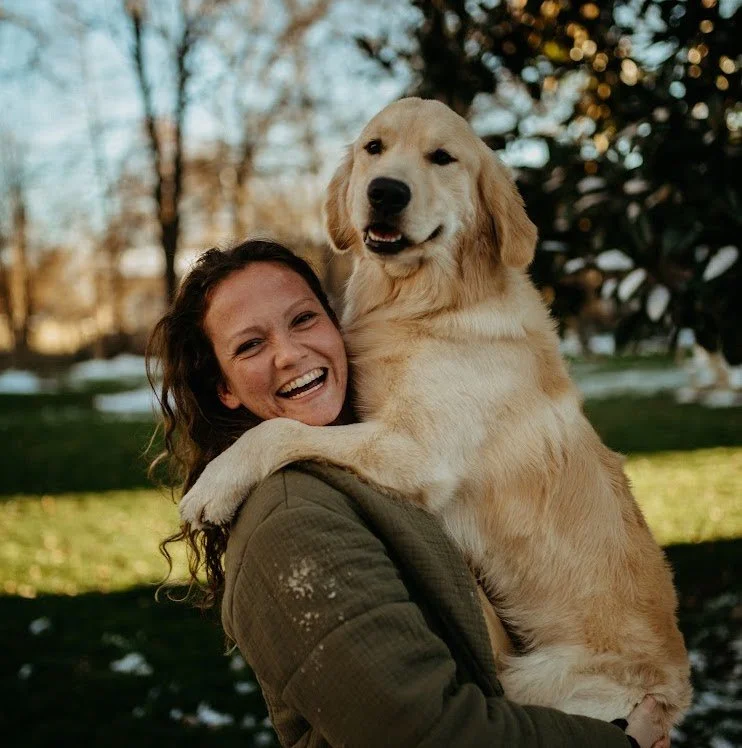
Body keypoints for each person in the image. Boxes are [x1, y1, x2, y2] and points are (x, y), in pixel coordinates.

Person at [147, 238, 669, 748]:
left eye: (304, 319)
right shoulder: (291, 522)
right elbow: (420, 732)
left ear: (337, 325)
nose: (289, 353)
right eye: (250, 345)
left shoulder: (365, 465)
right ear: (225, 388)